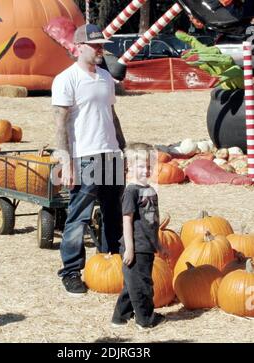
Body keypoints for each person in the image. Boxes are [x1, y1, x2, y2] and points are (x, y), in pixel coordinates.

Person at [51, 24, 126, 295]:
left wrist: (122, 147)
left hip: (110, 154)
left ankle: (111, 262)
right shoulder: (66, 79)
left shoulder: (106, 77)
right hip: (84, 157)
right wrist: (65, 161)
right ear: (79, 47)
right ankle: (71, 271)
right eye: (95, 45)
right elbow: (59, 123)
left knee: (113, 213)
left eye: (101, 45)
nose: (100, 49)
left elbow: (112, 115)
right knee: (78, 218)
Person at [111, 142, 166, 329]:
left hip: (147, 246)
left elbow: (152, 222)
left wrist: (158, 244)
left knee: (132, 283)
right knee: (142, 285)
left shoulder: (150, 191)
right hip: (135, 246)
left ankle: (120, 317)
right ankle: (145, 319)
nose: (146, 170)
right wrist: (130, 249)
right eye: (142, 166)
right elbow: (127, 220)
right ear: (130, 167)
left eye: (149, 166)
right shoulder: (131, 191)